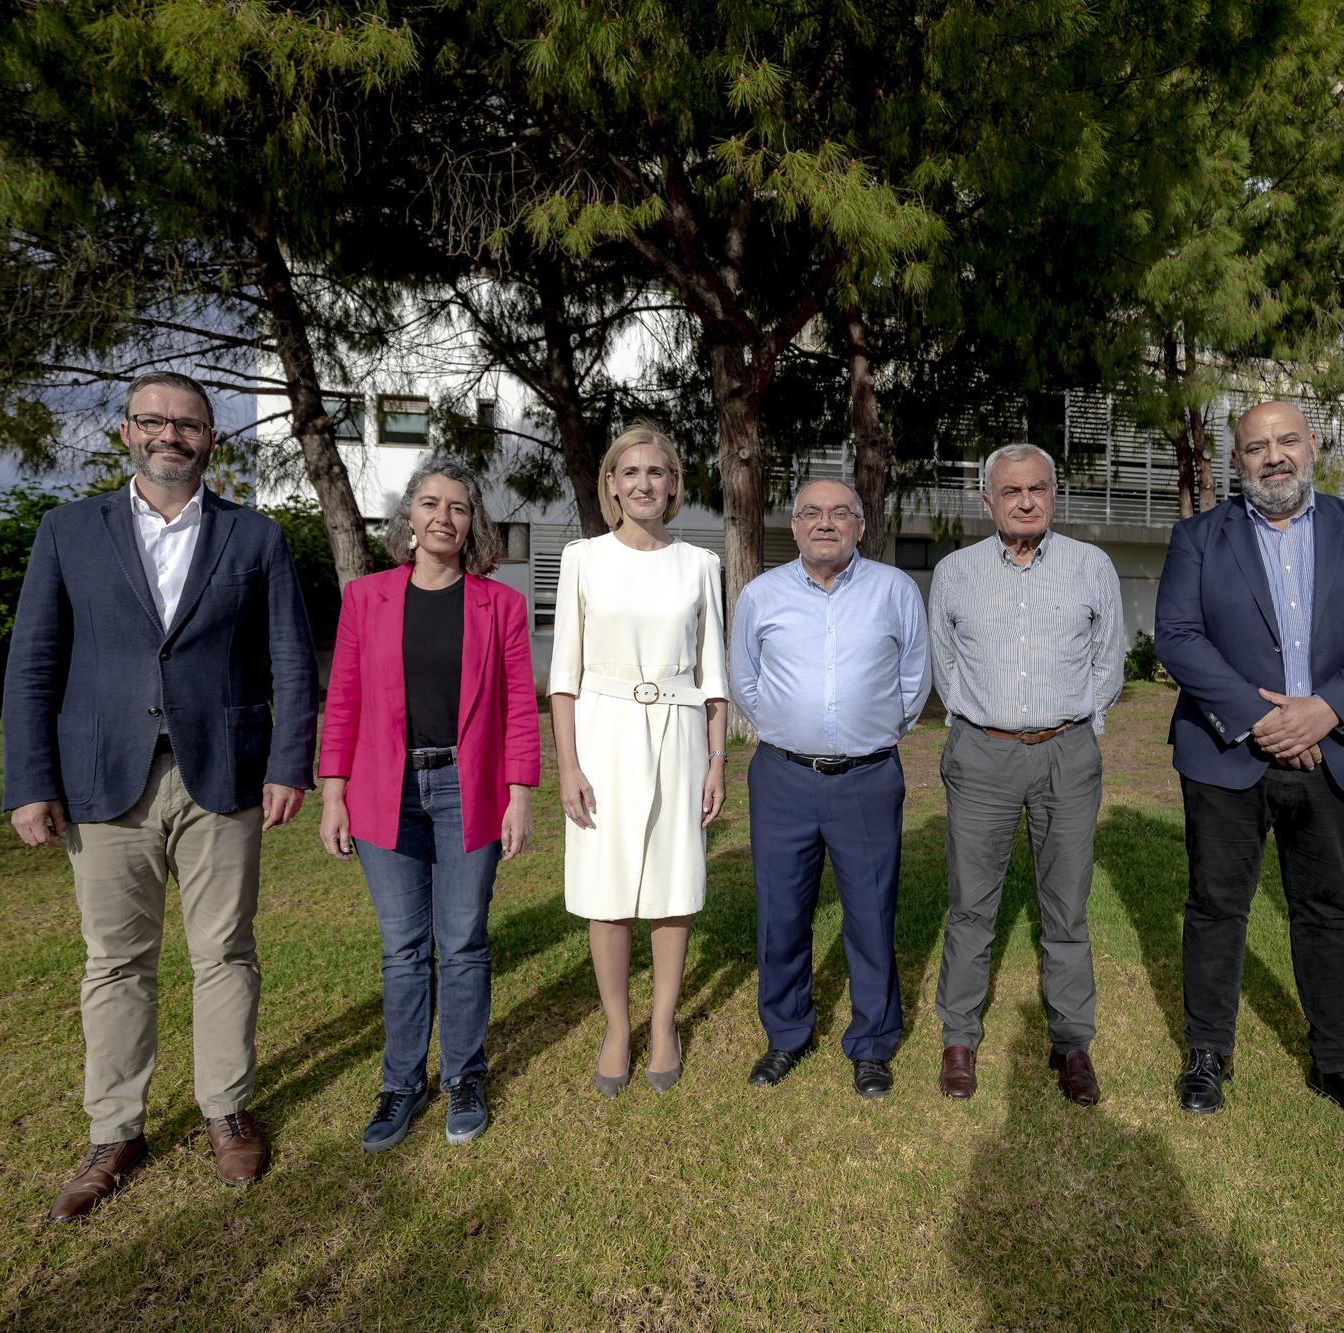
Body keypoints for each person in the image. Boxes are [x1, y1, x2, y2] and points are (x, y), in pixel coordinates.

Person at [2, 371, 318, 1220]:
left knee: (225, 952)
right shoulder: (68, 531)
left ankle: (226, 1108)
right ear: (125, 432)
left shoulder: (255, 537)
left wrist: (291, 764)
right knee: (115, 959)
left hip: (224, 771)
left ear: (212, 439)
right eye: (153, 420)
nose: (169, 434)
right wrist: (30, 780)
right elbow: (34, 661)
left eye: (187, 423)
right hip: (104, 778)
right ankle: (114, 1130)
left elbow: (291, 657)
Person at [1154, 399, 1344, 1135]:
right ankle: (1208, 1051)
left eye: (1285, 441)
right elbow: (1177, 635)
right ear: (1235, 461)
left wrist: (1327, 709)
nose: (1271, 456)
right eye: (1254, 447)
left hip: (1338, 752)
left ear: (1312, 447)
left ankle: (1342, 1063)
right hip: (1227, 754)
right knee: (1216, 908)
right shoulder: (1199, 538)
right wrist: (1265, 719)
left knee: (1328, 912)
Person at [316, 456, 540, 1151]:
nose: (444, 516)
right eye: (431, 503)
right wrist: (333, 795)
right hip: (384, 791)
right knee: (403, 945)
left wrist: (520, 794)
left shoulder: (498, 603)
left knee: (464, 941)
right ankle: (401, 1081)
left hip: (465, 788)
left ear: (473, 525)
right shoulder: (367, 598)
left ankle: (464, 1075)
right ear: (408, 517)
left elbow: (519, 708)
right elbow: (344, 698)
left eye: (459, 507)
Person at [928, 443, 1125, 1106]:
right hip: (981, 753)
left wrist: (1078, 724)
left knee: (1066, 906)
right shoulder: (954, 572)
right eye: (1011, 491)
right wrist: (979, 725)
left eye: (1037, 488)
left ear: (1053, 495)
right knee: (970, 904)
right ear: (988, 501)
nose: (1025, 500)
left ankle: (1072, 1042)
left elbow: (1108, 662)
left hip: (1067, 752)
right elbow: (945, 665)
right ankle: (959, 1037)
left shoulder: (1090, 566)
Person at [730, 480, 930, 1099]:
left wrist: (867, 736)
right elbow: (746, 680)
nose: (825, 523)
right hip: (783, 776)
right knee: (781, 911)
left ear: (860, 526)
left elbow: (914, 679)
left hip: (867, 779)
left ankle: (872, 1042)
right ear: (793, 526)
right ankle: (786, 1035)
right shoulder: (761, 596)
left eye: (839, 513)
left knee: (871, 914)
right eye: (811, 513)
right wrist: (792, 729)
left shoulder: (895, 590)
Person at [548, 425, 728, 1097]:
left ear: (674, 484)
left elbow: (715, 676)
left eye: (657, 471)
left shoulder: (701, 566)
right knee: (608, 884)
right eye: (631, 472)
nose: (644, 482)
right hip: (604, 734)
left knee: (673, 884)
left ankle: (662, 1023)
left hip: (680, 734)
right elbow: (563, 675)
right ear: (611, 485)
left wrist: (717, 762)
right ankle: (617, 1024)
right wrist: (568, 766)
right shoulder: (582, 558)